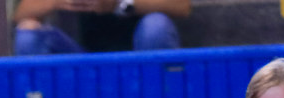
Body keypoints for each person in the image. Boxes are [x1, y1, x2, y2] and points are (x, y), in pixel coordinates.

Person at [12, 0, 190, 56]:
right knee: (28, 33)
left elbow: (181, 6)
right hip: (85, 60)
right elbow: (21, 13)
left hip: (143, 56)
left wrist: (119, 4)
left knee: (156, 25)